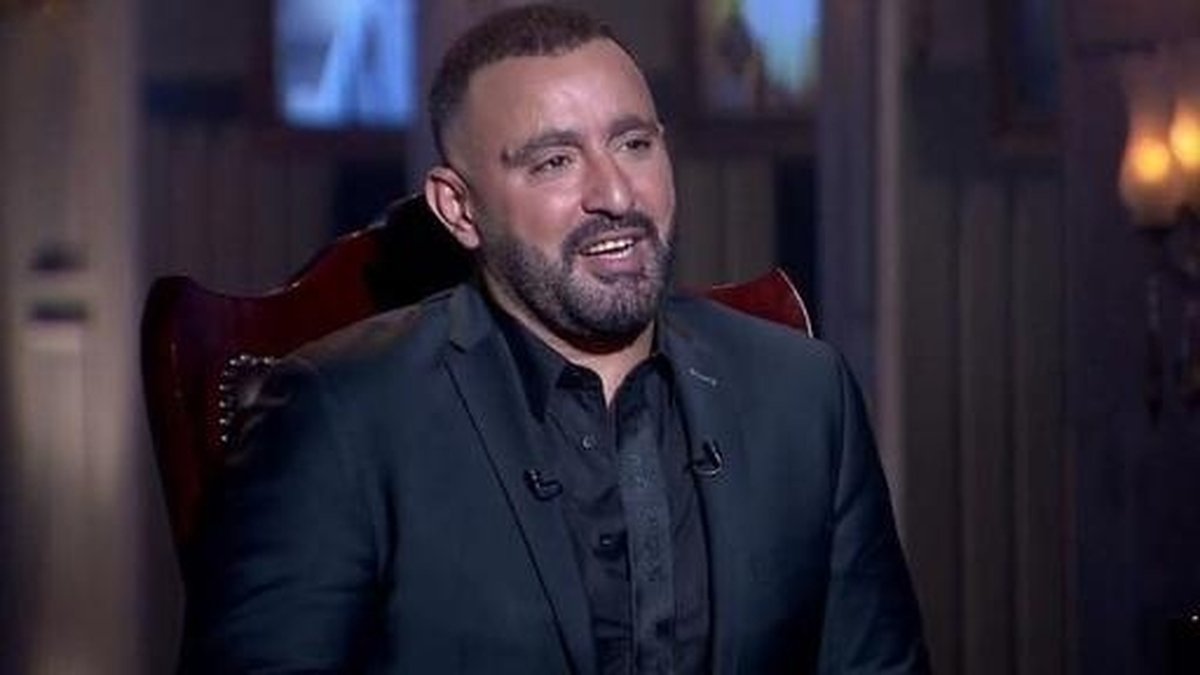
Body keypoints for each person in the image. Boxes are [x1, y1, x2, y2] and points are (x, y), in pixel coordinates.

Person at [182, 5, 929, 673]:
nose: (615, 194)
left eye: (633, 143)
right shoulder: (338, 415)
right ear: (459, 208)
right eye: (554, 162)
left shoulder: (805, 394)